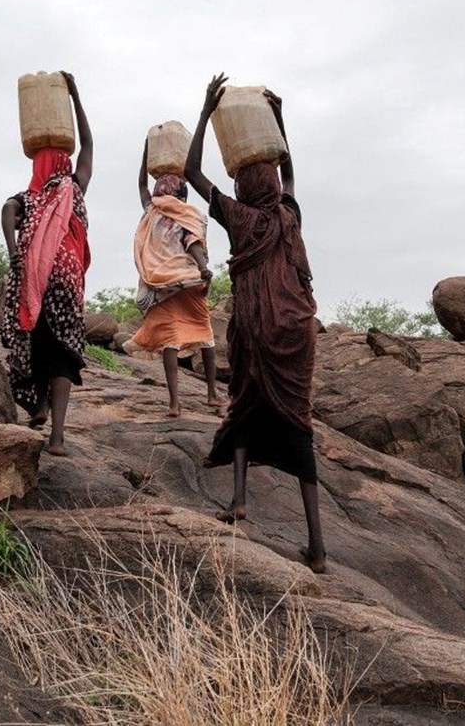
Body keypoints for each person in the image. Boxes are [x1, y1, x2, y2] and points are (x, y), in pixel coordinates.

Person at [183, 73, 326, 574]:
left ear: (244, 184)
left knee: (244, 402)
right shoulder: (289, 215)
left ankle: (240, 500)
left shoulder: (238, 216)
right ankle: (317, 546)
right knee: (298, 421)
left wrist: (204, 111)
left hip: (254, 330)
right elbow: (290, 180)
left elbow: (191, 170)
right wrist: (280, 118)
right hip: (297, 331)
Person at [0, 71, 93, 457]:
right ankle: (57, 436)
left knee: (33, 342)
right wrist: (75, 95)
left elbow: (7, 209)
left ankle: (36, 406)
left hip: (34, 279)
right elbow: (88, 143)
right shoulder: (73, 187)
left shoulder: (30, 196)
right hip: (67, 285)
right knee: (64, 354)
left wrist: (14, 250)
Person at [131, 137, 221, 417]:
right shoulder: (186, 213)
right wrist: (202, 267)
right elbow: (192, 241)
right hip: (187, 279)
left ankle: (175, 402)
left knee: (172, 340)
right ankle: (211, 394)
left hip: (161, 282)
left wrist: (146, 149)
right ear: (183, 194)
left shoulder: (151, 210)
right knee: (205, 336)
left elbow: (142, 186)